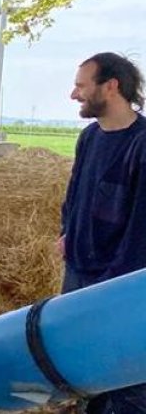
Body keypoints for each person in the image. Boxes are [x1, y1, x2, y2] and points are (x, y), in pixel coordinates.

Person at [59, 52, 146, 413]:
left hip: (120, 282)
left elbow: (141, 230)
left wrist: (112, 288)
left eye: (82, 85)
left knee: (123, 372)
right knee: (78, 356)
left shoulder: (141, 144)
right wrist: (67, 233)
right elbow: (75, 192)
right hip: (79, 270)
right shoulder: (90, 137)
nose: (74, 94)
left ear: (111, 86)